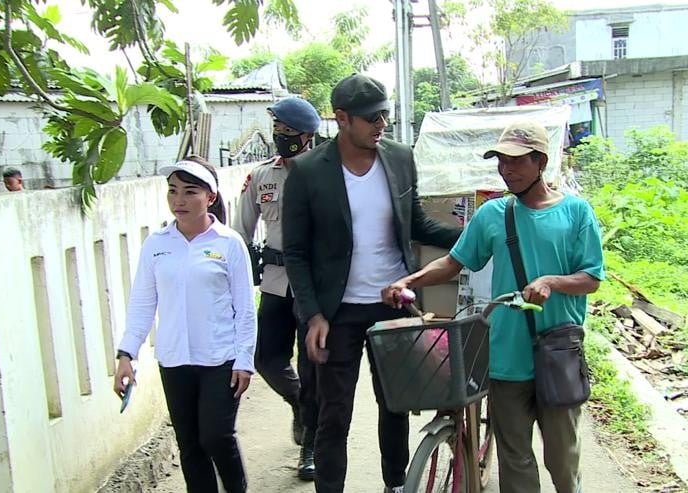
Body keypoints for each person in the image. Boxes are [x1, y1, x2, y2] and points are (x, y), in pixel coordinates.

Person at [382, 120, 605, 493]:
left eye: (517, 162)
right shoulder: (493, 215)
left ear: (541, 163)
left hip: (557, 353)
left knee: (562, 460)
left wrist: (551, 282)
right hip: (505, 358)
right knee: (515, 460)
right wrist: (410, 281)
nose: (507, 170)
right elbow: (453, 262)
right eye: (501, 161)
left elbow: (592, 278)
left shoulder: (576, 213)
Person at [282, 73, 462, 493]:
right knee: (333, 415)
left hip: (393, 303)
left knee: (395, 405)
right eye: (371, 118)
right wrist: (313, 315)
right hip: (337, 313)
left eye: (384, 115)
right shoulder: (309, 171)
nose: (381, 124)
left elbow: (416, 224)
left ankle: (395, 485)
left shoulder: (399, 158)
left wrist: (474, 237)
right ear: (341, 118)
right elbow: (296, 253)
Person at [114, 155, 256, 493]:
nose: (178, 200)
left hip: (220, 359)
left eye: (190, 192)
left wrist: (244, 360)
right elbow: (142, 304)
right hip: (175, 360)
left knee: (216, 436)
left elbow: (245, 309)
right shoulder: (157, 245)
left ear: (210, 197)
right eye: (173, 191)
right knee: (190, 443)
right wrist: (125, 354)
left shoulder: (228, 244)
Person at [233, 96, 321, 481]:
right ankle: (300, 403)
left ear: (307, 136)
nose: (280, 138)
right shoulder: (260, 176)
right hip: (274, 281)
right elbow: (239, 233)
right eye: (277, 131)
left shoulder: (326, 174)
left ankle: (311, 447)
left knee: (313, 363)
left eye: (289, 133)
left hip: (314, 285)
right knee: (266, 357)